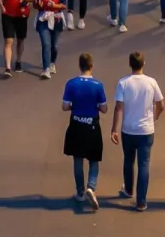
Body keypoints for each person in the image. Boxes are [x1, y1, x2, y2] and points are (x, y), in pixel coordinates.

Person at [112, 50, 164, 211]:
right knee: (144, 164)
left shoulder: (123, 82)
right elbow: (161, 105)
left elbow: (119, 108)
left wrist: (114, 129)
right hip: (146, 131)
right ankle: (141, 201)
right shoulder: (151, 82)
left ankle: (128, 189)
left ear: (130, 64)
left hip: (128, 129)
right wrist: (154, 117)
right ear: (143, 64)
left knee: (128, 160)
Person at [63, 51, 108, 210]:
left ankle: (80, 192)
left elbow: (65, 106)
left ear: (79, 66)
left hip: (76, 125)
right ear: (92, 67)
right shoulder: (98, 85)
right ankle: (91, 187)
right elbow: (104, 109)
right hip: (92, 126)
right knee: (94, 159)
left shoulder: (71, 83)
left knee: (78, 159)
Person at [36, 0, 69, 76]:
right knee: (46, 43)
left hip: (56, 19)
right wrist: (38, 5)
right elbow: (35, 3)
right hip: (43, 19)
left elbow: (64, 4)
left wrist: (55, 6)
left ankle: (52, 63)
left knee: (54, 45)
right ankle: (46, 69)